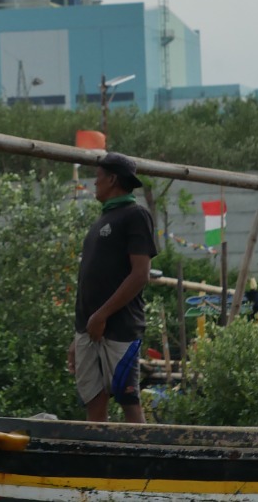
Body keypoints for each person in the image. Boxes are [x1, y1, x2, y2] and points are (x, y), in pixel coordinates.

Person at [68, 152, 155, 423]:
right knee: (93, 400)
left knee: (129, 401)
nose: (95, 183)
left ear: (112, 180)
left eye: (98, 177)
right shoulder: (101, 221)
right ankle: (99, 450)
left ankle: (142, 451)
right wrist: (80, 332)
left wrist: (102, 315)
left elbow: (140, 274)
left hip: (119, 328)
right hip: (88, 329)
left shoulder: (135, 215)